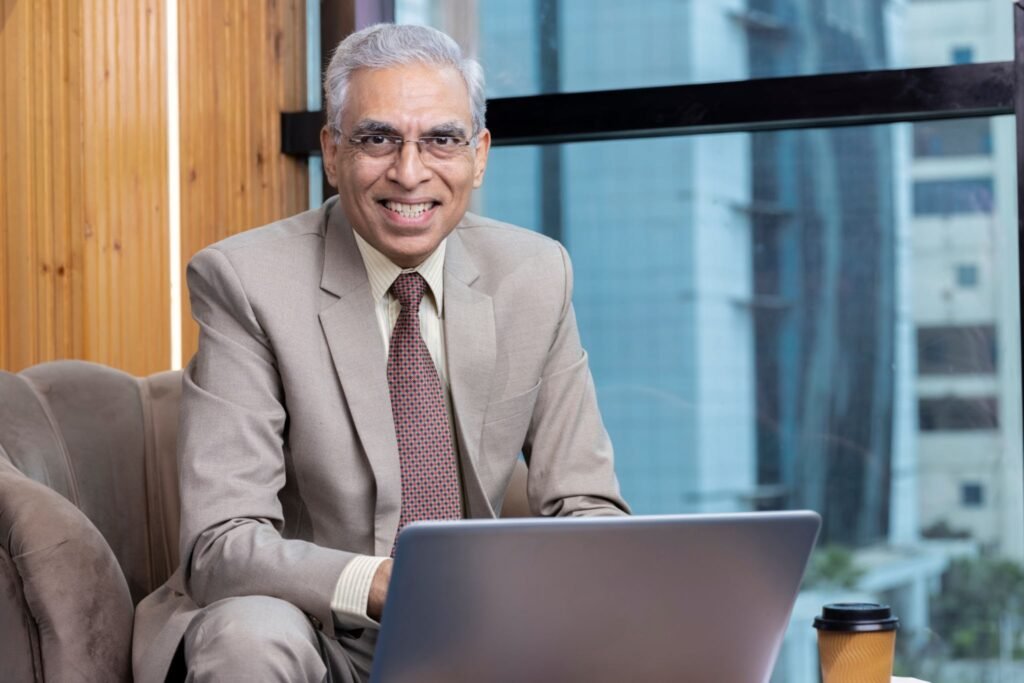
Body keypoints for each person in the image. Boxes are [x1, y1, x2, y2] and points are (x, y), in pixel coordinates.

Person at [132, 23, 628, 682]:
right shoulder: (244, 281)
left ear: (479, 154)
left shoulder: (537, 274)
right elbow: (221, 545)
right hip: (312, 624)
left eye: (442, 139)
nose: (410, 170)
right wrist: (383, 583)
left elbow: (588, 508)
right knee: (248, 634)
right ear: (333, 153)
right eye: (377, 138)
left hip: (481, 628)